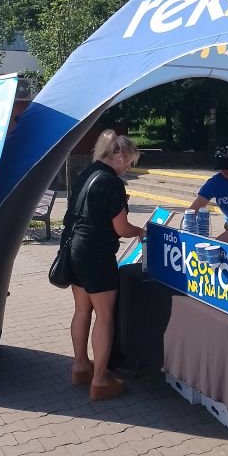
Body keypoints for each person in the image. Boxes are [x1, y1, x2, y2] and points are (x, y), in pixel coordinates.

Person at [63, 130, 145, 400]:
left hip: (75, 248)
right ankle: (99, 380)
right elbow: (121, 228)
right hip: (96, 254)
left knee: (81, 310)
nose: (128, 168)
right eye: (129, 162)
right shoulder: (111, 182)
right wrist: (140, 232)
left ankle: (80, 366)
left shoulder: (86, 173)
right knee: (105, 316)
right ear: (119, 156)